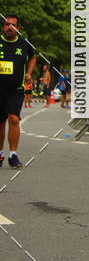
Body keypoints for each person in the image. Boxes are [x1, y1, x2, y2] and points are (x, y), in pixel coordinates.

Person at [0, 14, 36, 168]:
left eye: (13, 25)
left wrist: (28, 73)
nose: (10, 27)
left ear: (18, 28)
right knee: (0, 123)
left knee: (14, 119)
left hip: (16, 89)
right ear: (3, 27)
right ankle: (0, 154)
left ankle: (13, 155)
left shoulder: (24, 44)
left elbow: (33, 57)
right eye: (7, 24)